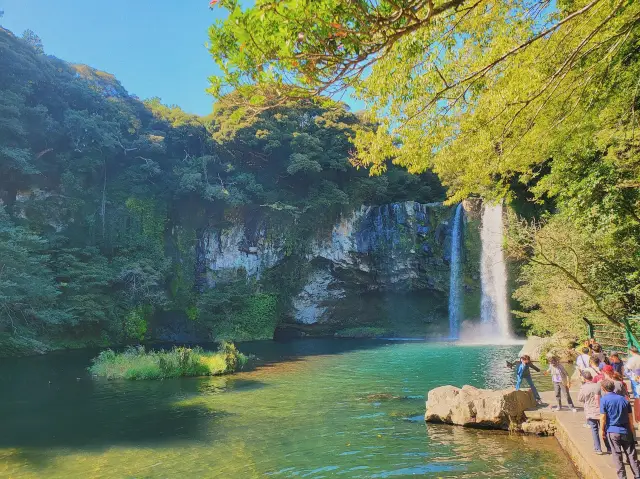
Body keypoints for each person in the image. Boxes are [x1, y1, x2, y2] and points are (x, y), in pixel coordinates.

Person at [600, 379, 640, 479]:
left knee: (617, 456)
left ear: (603, 388)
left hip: (612, 431)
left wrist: (602, 430)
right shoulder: (624, 399)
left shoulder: (604, 400)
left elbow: (603, 417)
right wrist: (631, 429)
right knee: (631, 455)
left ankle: (622, 477)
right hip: (625, 430)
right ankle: (637, 475)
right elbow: (630, 417)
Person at [578, 371, 611, 455]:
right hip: (601, 411)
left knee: (594, 430)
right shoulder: (598, 385)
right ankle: (609, 447)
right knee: (604, 429)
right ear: (591, 378)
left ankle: (598, 449)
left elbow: (580, 399)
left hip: (590, 411)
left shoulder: (583, 387)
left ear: (585, 379)